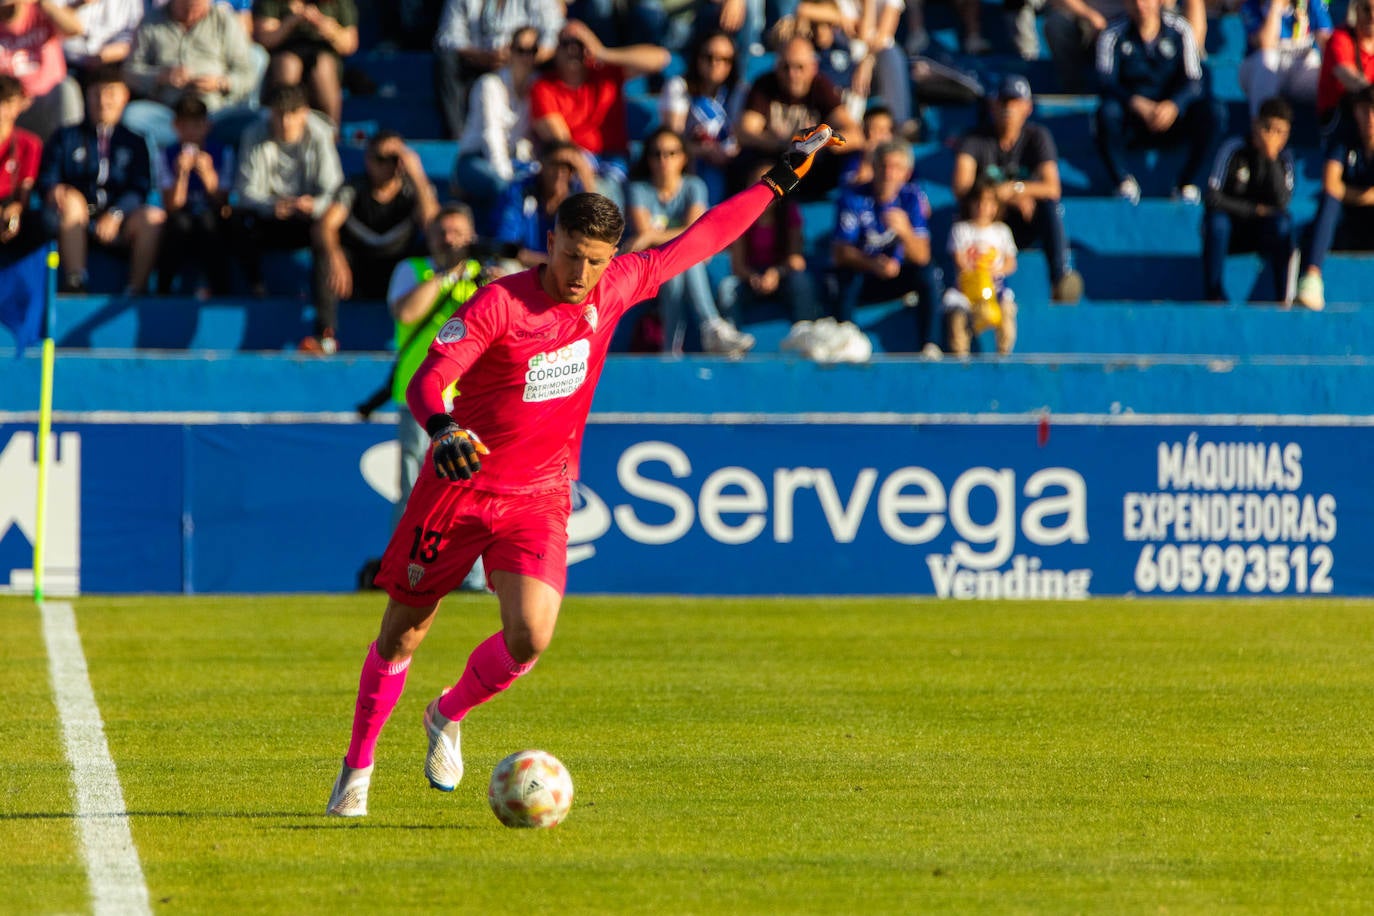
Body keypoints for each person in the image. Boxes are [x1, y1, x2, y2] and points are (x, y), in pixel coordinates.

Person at [324, 124, 847, 818]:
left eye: (596, 261)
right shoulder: (501, 303)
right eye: (571, 255)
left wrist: (779, 180)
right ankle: (357, 769)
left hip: (539, 494)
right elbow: (429, 377)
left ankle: (447, 713)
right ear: (551, 240)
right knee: (402, 634)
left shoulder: (616, 286)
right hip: (460, 487)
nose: (580, 274)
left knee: (531, 636)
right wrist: (443, 427)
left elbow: (703, 238)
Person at [384, 203, 487, 591]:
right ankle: (404, 569)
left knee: (472, 488)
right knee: (414, 487)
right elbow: (407, 313)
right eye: (442, 232)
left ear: (471, 236)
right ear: (429, 236)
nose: (449, 240)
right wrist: (446, 275)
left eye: (457, 232)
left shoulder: (484, 275)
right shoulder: (412, 270)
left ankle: (471, 577)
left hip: (469, 397)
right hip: (420, 398)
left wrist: (483, 275)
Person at [953, 73, 1083, 303]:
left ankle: (1060, 279)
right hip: (987, 220)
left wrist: (1018, 188)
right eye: (1004, 101)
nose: (1009, 108)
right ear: (993, 105)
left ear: (1028, 107)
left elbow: (1052, 188)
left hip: (1024, 221)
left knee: (1050, 207)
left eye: (1015, 102)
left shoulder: (1038, 137)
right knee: (971, 210)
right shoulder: (974, 139)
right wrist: (1002, 195)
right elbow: (961, 187)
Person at [624, 127, 755, 355]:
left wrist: (653, 235)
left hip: (678, 262)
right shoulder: (638, 190)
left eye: (671, 153)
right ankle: (711, 326)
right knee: (684, 259)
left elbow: (694, 232)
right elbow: (653, 235)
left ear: (683, 157)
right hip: (651, 264)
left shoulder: (694, 186)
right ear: (648, 158)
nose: (664, 160)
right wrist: (662, 238)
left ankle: (671, 348)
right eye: (657, 153)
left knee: (683, 263)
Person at [230, 84, 342, 342]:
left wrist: (313, 205)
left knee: (326, 232)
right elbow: (245, 191)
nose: (285, 121)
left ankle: (325, 329)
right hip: (269, 216)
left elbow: (334, 189)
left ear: (304, 113)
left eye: (292, 114)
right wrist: (271, 206)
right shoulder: (254, 134)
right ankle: (254, 290)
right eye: (279, 114)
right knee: (234, 222)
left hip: (308, 218)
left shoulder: (319, 134)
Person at [38, 65, 162, 293]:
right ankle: (76, 281)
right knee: (71, 201)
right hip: (76, 218)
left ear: (124, 97)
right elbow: (48, 179)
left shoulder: (135, 142)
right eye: (97, 94)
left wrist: (116, 214)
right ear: (87, 96)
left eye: (111, 93)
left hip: (121, 220)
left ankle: (136, 290)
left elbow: (140, 188)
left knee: (152, 218)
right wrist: (56, 191)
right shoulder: (65, 137)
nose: (103, 101)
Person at [315, 129, 440, 349]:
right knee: (325, 256)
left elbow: (435, 228)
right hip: (357, 272)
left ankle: (431, 334)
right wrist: (335, 256)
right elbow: (325, 225)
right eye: (380, 159)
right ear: (368, 160)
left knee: (434, 255)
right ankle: (325, 337)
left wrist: (417, 176)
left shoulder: (413, 192)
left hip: (397, 270)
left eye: (394, 159)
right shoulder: (354, 188)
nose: (388, 166)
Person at [528, 19, 671, 206]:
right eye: (566, 44)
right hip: (576, 160)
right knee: (602, 192)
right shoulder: (544, 86)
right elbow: (563, 144)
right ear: (556, 50)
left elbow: (661, 59)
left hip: (615, 158)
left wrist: (603, 52)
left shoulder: (606, 73)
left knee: (632, 190)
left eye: (579, 44)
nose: (572, 50)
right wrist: (588, 180)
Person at [1094, 0, 1213, 204]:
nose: (1141, 5)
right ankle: (1122, 182)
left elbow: (1194, 81)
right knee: (1106, 112)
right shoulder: (1112, 34)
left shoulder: (1180, 30)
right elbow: (1106, 82)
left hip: (1173, 118)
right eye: (1134, 0)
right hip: (1132, 120)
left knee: (1213, 113)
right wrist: (1135, 102)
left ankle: (1187, 183)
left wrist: (1174, 105)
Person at [832, 140, 941, 354]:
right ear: (873, 167)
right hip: (865, 275)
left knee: (930, 273)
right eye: (884, 166)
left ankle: (930, 346)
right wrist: (872, 263)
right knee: (845, 276)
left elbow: (923, 256)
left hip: (897, 273)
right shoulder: (853, 197)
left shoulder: (911, 198)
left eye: (896, 167)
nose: (889, 173)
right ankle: (844, 344)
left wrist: (905, 232)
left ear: (906, 174)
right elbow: (840, 251)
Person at [717, 156, 821, 349]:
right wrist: (754, 278)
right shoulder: (741, 216)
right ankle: (731, 341)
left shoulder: (790, 212)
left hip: (782, 276)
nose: (764, 190)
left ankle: (805, 334)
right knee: (727, 288)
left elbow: (796, 260)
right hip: (751, 279)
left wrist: (776, 273)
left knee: (802, 281)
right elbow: (737, 266)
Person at [736, 35, 859, 197]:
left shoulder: (821, 87)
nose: (792, 74)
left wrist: (819, 142)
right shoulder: (765, 86)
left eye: (799, 67)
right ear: (777, 66)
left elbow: (855, 134)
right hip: (776, 163)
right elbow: (744, 132)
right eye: (786, 67)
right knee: (760, 175)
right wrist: (784, 143)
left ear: (813, 67)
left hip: (814, 168)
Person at [122, 0, 257, 147]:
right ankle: (182, 145)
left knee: (256, 119)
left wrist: (220, 83)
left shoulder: (224, 20)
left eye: (198, 7)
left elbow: (247, 74)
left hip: (214, 114)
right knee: (132, 116)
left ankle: (205, 142)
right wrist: (161, 76)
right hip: (170, 115)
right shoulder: (151, 21)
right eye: (186, 8)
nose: (193, 13)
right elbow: (129, 72)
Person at [1202, 96, 1295, 304]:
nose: (1272, 137)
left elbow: (1282, 203)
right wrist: (1254, 210)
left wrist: (1270, 157)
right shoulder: (1234, 149)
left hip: (1263, 232)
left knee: (1283, 225)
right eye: (1268, 128)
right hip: (1233, 227)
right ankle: (1214, 294)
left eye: (1279, 132)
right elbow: (1212, 197)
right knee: (1216, 224)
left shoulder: (1284, 159)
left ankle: (1282, 298)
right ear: (1256, 125)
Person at [451, 25, 541, 229]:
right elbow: (491, 135)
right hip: (475, 159)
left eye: (532, 50)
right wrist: (507, 176)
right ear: (510, 50)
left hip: (513, 161)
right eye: (520, 49)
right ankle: (504, 242)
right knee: (505, 187)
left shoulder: (536, 84)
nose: (526, 57)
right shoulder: (489, 84)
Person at [433, 0, 560, 139]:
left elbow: (554, 34)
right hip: (477, 62)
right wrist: (482, 56)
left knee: (560, 58)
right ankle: (457, 137)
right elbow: (448, 37)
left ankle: (548, 140)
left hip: (528, 62)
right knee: (447, 61)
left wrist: (522, 54)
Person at [1295, 85, 1374, 310]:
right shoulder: (1344, 139)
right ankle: (1311, 279)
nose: (1370, 118)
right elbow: (1330, 185)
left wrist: (1344, 192)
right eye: (1365, 110)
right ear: (1355, 111)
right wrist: (1364, 196)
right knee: (1329, 202)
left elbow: (1338, 187)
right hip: (1345, 224)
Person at [658, 29, 744, 206]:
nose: (715, 64)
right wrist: (705, 151)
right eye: (708, 57)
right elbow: (674, 138)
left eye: (724, 59)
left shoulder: (739, 90)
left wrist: (724, 154)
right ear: (697, 57)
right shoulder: (679, 87)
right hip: (691, 161)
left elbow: (740, 138)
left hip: (730, 163)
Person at [157, 92, 230, 297]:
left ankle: (221, 293)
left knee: (210, 224)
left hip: (211, 220)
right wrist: (181, 175)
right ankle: (163, 292)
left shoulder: (223, 153)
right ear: (176, 126)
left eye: (196, 125)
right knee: (180, 224)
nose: (190, 132)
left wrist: (208, 175)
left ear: (207, 126)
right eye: (184, 125)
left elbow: (223, 204)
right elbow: (172, 206)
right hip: (181, 221)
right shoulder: (165, 155)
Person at [252, 0, 359, 129]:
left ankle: (331, 132)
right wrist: (292, 21)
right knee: (288, 65)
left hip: (324, 55)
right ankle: (282, 128)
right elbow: (265, 38)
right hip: (284, 54)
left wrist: (325, 26)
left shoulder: (339, 3)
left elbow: (349, 45)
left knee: (323, 68)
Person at [943, 177, 1019, 356]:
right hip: (966, 289)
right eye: (978, 202)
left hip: (996, 289)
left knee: (1007, 312)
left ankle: (1004, 353)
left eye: (989, 202)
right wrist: (975, 272)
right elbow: (958, 258)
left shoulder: (1002, 231)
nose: (983, 207)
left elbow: (1011, 262)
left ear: (996, 206)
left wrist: (996, 271)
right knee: (957, 318)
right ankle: (960, 356)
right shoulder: (960, 229)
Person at [493, 140, 597, 268]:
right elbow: (507, 247)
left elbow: (593, 244)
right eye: (554, 165)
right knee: (505, 265)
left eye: (567, 167)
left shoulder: (579, 200)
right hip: (524, 269)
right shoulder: (520, 191)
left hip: (565, 271)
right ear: (542, 165)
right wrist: (555, 263)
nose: (560, 173)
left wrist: (585, 175)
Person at [0, 0, 84, 141]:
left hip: (48, 98)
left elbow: (75, 29)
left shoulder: (39, 11)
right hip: (9, 105)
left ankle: (71, 149)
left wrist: (43, 3)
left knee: (66, 89)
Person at [1239, 0, 1331, 120]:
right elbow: (1265, 43)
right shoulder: (1252, 4)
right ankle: (1262, 124)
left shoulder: (1311, 3)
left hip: (1298, 72)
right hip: (1259, 71)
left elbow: (1327, 42)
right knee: (1267, 58)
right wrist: (1276, 6)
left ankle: (1331, 125)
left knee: (1329, 75)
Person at [1315, 0, 1374, 148]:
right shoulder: (1340, 38)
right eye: (1366, 9)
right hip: (1340, 121)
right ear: (1356, 10)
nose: (1372, 16)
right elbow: (1348, 75)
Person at [0, 74, 44, 256]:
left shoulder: (29, 144)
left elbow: (26, 187)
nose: (2, 110)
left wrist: (16, 209)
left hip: (12, 207)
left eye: (8, 103)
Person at [63, 0, 143, 84]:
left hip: (108, 68)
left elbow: (131, 39)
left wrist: (104, 55)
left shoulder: (133, 3)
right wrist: (78, 4)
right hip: (68, 64)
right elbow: (56, 17)